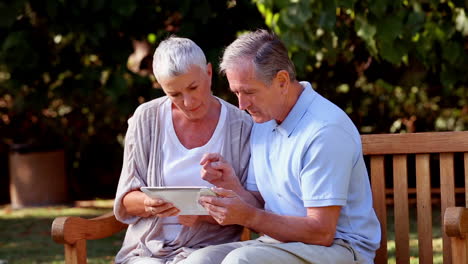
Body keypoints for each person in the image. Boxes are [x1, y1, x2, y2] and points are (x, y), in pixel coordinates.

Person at [186, 29, 381, 264]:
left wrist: (249, 217)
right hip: (280, 244)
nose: (241, 104)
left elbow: (322, 232)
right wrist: (230, 185)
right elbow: (260, 206)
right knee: (199, 260)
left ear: (282, 81)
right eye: (236, 92)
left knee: (241, 261)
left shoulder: (324, 130)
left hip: (342, 249)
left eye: (249, 92)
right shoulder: (264, 121)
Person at [113, 36, 253, 264]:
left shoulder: (241, 126)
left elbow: (251, 208)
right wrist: (150, 204)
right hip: (146, 249)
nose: (188, 102)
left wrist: (203, 216)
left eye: (193, 87)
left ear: (208, 73)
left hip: (210, 249)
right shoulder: (145, 119)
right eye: (175, 94)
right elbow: (126, 199)